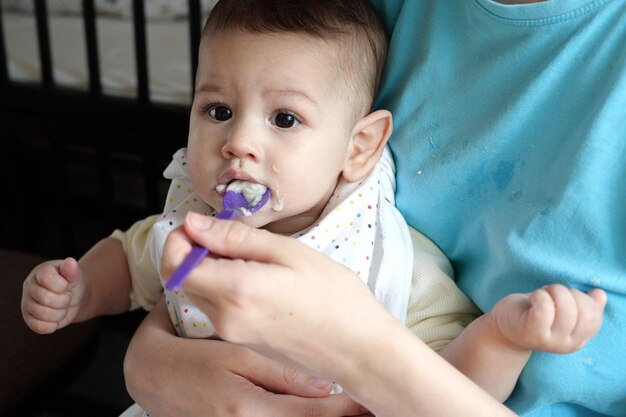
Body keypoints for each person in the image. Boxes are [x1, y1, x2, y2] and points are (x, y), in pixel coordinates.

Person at [20, 1, 614, 416]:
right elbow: (132, 259)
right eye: (217, 110)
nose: (239, 143)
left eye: (284, 120)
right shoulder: (189, 225)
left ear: (357, 148)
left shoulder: (384, 253)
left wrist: (501, 341)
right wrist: (81, 292)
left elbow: (451, 384)